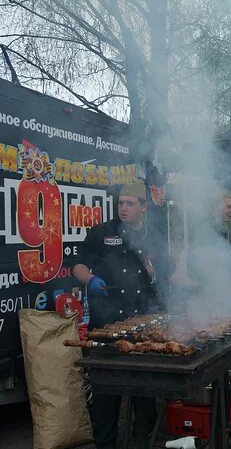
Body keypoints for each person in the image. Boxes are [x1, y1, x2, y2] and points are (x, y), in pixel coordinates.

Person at [73, 183, 169, 449]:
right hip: (106, 323)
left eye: (130, 203)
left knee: (145, 395)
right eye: (121, 203)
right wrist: (90, 279)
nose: (123, 208)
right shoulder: (101, 233)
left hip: (143, 323)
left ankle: (145, 441)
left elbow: (165, 273)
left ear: (144, 207)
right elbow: (78, 265)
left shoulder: (153, 236)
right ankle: (105, 444)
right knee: (106, 396)